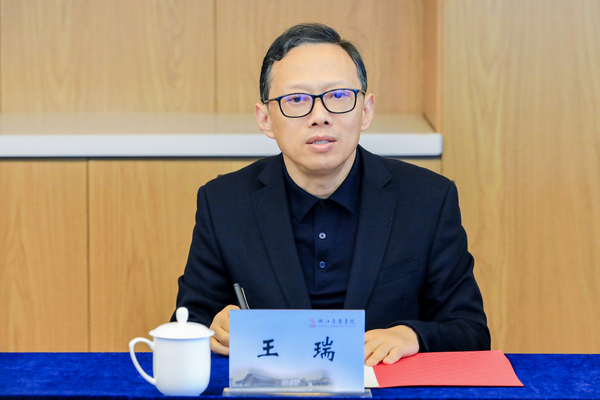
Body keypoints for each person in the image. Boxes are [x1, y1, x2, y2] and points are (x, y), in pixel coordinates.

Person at [173, 23, 490, 366]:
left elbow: (470, 331)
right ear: (265, 119)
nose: (320, 117)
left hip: (385, 385)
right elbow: (186, 323)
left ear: (366, 111)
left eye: (338, 96)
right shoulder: (223, 203)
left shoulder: (428, 199)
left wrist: (412, 335)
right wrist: (213, 329)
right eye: (296, 100)